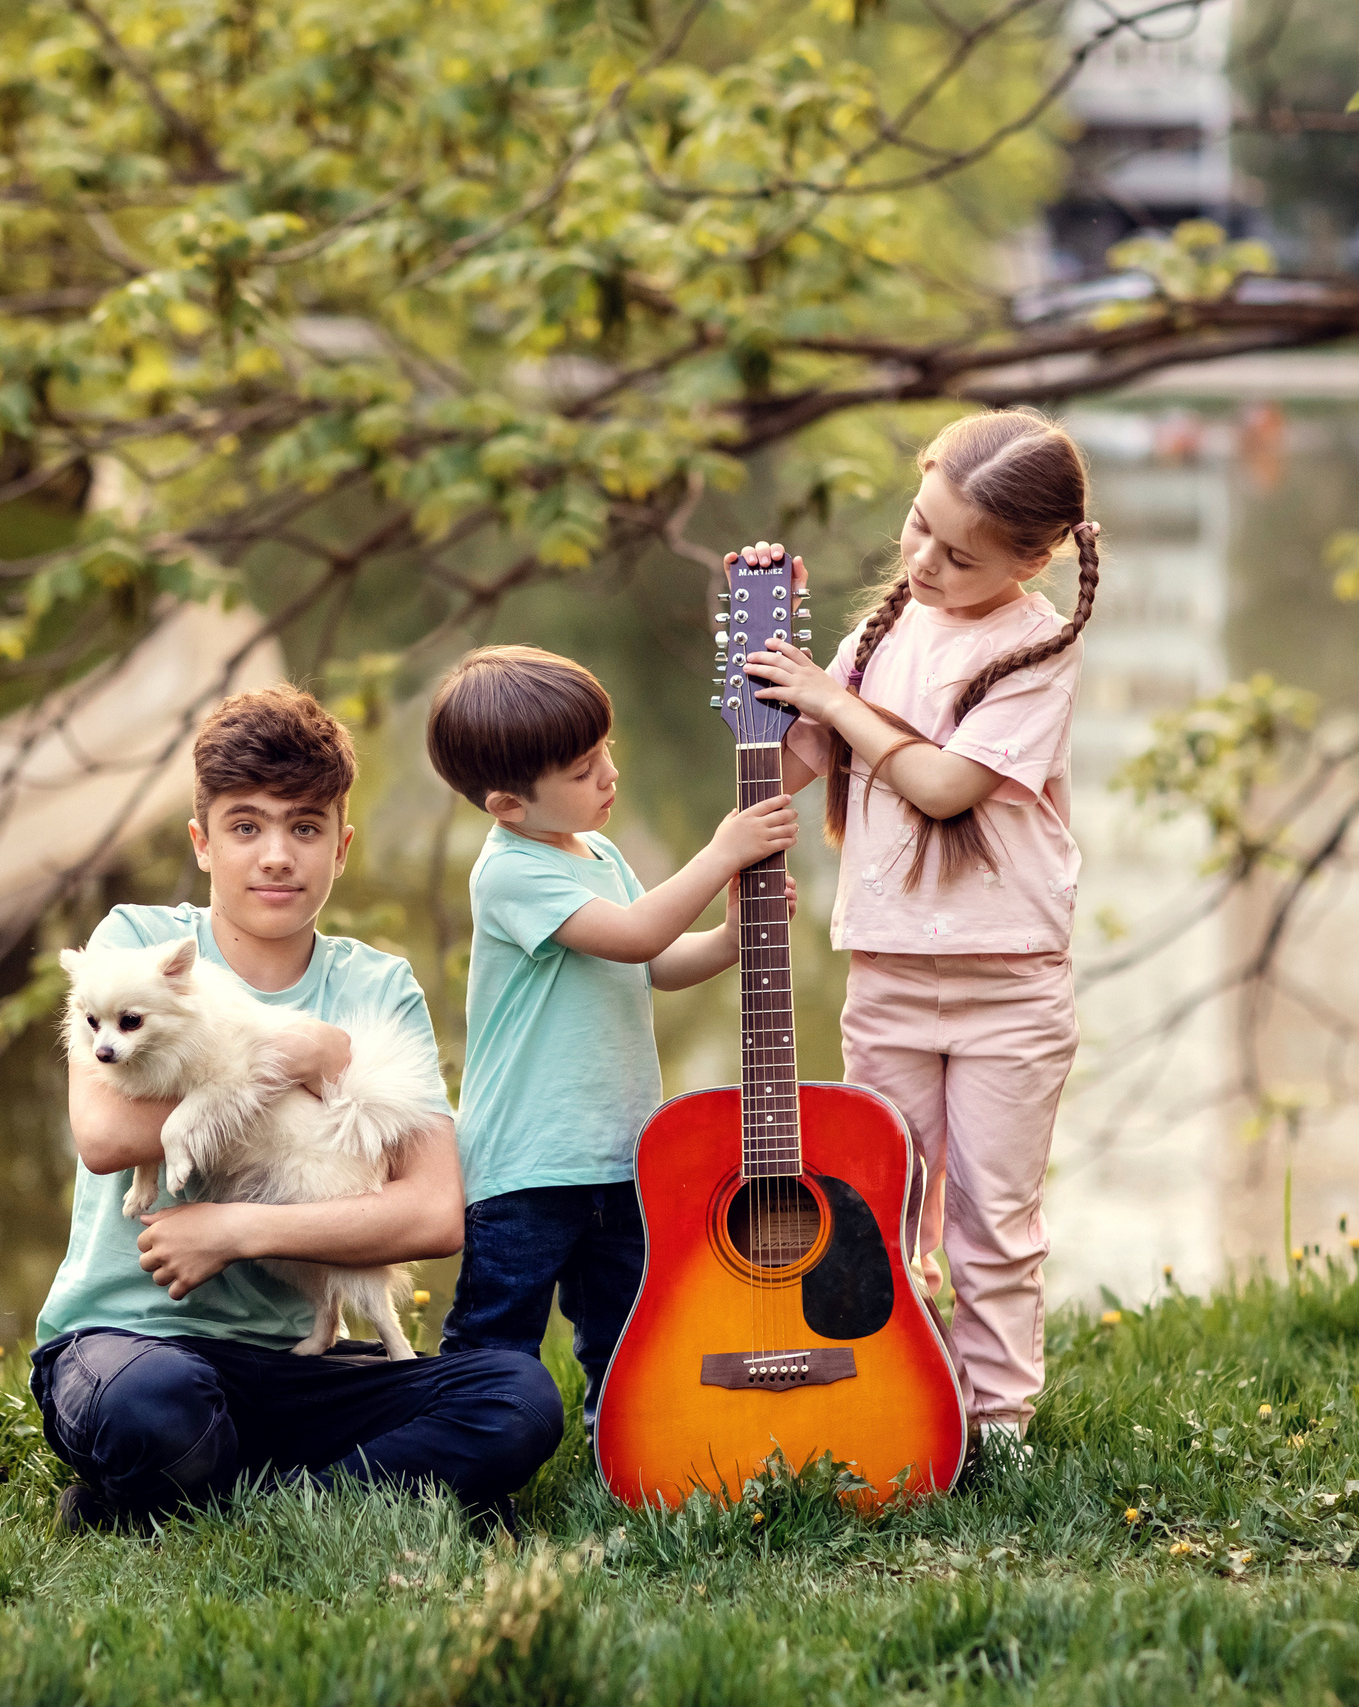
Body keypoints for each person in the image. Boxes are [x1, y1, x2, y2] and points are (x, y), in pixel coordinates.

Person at [30, 685, 563, 1533]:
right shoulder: (135, 946)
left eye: (304, 827)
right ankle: (314, 1481)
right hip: (133, 1345)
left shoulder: (377, 985)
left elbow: (430, 1211)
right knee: (154, 1405)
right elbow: (102, 1136)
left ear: (341, 847)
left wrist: (235, 1231)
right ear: (202, 843)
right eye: (246, 826)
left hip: (296, 1360)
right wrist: (290, 1057)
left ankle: (236, 1502)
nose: (276, 854)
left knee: (519, 1399)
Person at [730, 406, 1104, 1446]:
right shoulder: (877, 634)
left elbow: (942, 787)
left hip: (1007, 987)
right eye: (917, 526)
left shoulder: (1036, 651)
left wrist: (834, 702)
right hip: (889, 977)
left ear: (1032, 558)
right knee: (869, 1212)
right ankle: (890, 1397)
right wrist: (768, 642)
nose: (925, 559)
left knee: (992, 1222)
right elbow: (794, 760)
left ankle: (998, 1426)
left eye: (960, 553)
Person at [422, 646, 797, 1425]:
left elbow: (655, 962)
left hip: (623, 1154)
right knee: (498, 1334)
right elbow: (631, 933)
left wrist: (729, 938)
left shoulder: (599, 852)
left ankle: (621, 1457)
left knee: (627, 1330)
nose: (609, 775)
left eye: (607, 751)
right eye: (584, 767)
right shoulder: (511, 872)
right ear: (508, 806)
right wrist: (720, 851)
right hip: (528, 1164)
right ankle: (464, 1460)